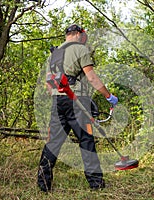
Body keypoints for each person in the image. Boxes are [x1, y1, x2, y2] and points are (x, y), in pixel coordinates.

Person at [37, 24, 118, 192]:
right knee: (86, 140)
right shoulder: (80, 49)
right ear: (79, 35)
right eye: (84, 36)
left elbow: (48, 84)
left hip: (57, 101)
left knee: (53, 143)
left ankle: (43, 185)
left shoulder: (54, 54)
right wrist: (108, 96)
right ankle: (96, 185)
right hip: (77, 101)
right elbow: (92, 78)